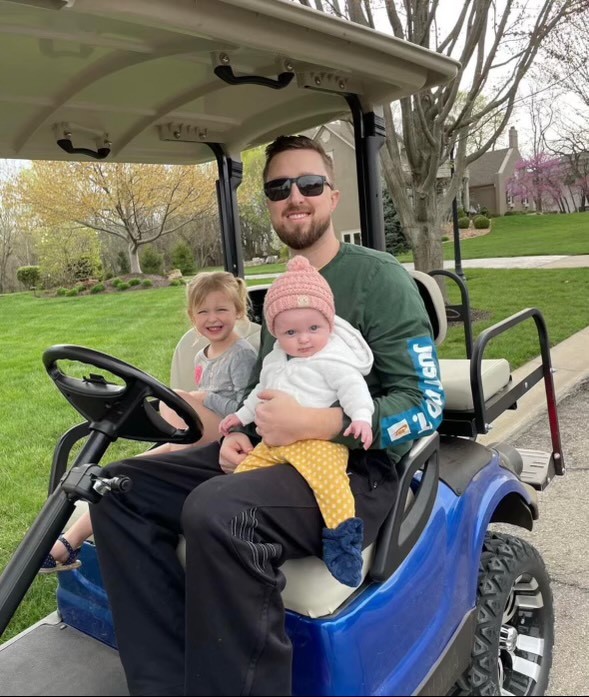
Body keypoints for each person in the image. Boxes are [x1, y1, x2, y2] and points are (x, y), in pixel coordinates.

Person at [90, 134, 445, 696]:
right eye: (279, 188)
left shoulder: (379, 279)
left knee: (216, 509)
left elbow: (426, 404)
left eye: (308, 184)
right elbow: (264, 387)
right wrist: (240, 437)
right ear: (271, 204)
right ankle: (163, 682)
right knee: (117, 488)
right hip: (271, 456)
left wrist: (325, 424)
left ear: (331, 196)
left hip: (356, 470)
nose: (294, 196)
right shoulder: (275, 293)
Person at [39, 271, 256, 574]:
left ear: (238, 310)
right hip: (194, 435)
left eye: (221, 309)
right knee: (113, 474)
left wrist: (200, 397)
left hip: (227, 435)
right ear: (192, 316)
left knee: (162, 427)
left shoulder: (242, 354)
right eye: (203, 311)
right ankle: (68, 540)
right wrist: (195, 397)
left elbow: (245, 407)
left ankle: (66, 544)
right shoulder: (202, 355)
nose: (213, 318)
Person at [220, 254, 374, 587]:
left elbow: (353, 389)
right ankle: (246, 548)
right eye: (291, 331)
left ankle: (343, 541)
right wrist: (239, 417)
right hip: (273, 443)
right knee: (238, 480)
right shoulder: (276, 360)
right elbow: (260, 392)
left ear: (329, 325)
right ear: (275, 331)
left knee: (331, 486)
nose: (304, 338)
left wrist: (361, 417)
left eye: (313, 328)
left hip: (317, 442)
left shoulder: (332, 359)